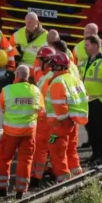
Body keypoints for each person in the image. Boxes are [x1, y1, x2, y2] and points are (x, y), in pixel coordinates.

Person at [0, 65, 44, 198]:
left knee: (4, 158)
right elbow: (41, 110)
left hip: (11, 132)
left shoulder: (7, 90)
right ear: (28, 76)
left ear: (16, 75)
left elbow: (3, 108)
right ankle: (21, 190)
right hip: (29, 132)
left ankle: (2, 188)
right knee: (26, 160)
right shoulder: (36, 91)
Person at [46, 52, 88, 183]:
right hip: (73, 121)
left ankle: (63, 181)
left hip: (60, 123)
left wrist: (63, 121)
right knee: (71, 149)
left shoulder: (58, 82)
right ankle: (77, 174)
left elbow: (60, 106)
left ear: (57, 66)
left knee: (58, 152)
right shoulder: (74, 79)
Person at [73, 23, 102, 149]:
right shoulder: (79, 47)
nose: (86, 37)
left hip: (99, 98)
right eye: (85, 34)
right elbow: (74, 65)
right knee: (91, 126)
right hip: (87, 97)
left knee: (101, 128)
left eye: (89, 34)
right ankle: (94, 149)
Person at [79, 35, 102, 165]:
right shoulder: (86, 61)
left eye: (87, 45)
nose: (85, 47)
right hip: (88, 101)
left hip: (99, 101)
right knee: (91, 130)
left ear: (95, 46)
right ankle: (95, 154)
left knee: (101, 130)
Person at [30, 46, 56, 188]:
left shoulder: (47, 78)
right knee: (52, 147)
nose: (38, 63)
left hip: (44, 118)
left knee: (40, 148)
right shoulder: (51, 76)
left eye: (41, 60)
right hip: (53, 118)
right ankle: (51, 171)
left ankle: (36, 177)